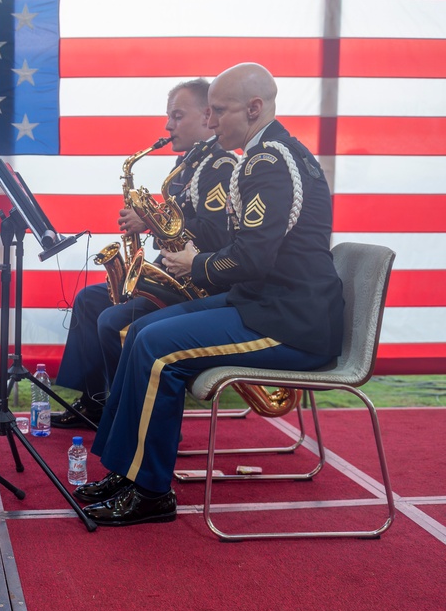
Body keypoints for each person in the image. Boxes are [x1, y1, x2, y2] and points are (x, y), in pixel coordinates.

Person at [75, 63, 344, 526]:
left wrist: (194, 264)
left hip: (290, 321)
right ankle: (127, 471)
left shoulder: (270, 161)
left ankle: (151, 491)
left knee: (157, 349)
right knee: (139, 329)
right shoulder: (267, 154)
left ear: (254, 108)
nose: (211, 121)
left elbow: (252, 258)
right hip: (264, 303)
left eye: (219, 111)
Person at [53, 79, 234, 428]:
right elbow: (177, 226)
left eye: (177, 116)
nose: (168, 126)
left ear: (206, 115)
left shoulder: (220, 167)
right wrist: (148, 224)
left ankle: (133, 420)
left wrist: (149, 220)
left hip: (198, 284)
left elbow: (215, 233)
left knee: (113, 319)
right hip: (173, 274)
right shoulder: (187, 166)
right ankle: (95, 403)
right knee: (90, 300)